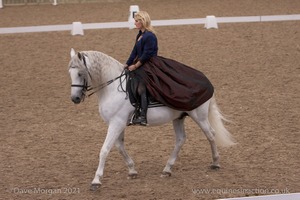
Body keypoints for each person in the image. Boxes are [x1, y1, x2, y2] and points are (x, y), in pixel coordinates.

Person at [125, 11, 214, 126]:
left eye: (137, 21)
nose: (135, 22)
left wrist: (136, 65)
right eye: (135, 20)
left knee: (142, 86)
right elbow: (134, 52)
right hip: (141, 63)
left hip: (150, 64)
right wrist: (127, 64)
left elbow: (147, 54)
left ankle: (142, 115)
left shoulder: (150, 36)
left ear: (143, 21)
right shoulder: (140, 35)